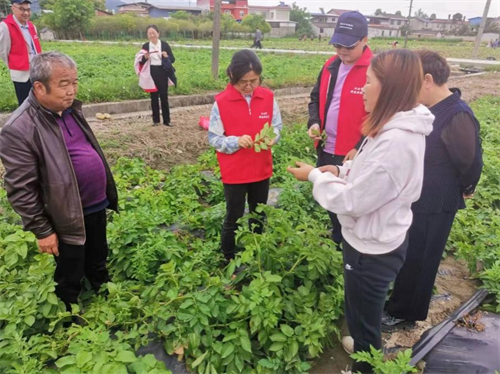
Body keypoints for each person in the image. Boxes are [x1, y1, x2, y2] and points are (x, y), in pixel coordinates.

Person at [288, 49, 434, 374]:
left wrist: (314, 175)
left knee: (364, 316)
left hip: (370, 249)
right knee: (360, 308)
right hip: (377, 237)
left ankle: (364, 365)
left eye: (368, 82)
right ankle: (363, 343)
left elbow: (352, 201)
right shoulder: (394, 126)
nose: (363, 89)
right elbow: (368, 173)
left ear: (389, 88)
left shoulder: (396, 144)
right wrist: (340, 172)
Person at [0, 52, 118, 311]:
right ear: (40, 87)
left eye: (75, 82)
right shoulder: (20, 128)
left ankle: (103, 295)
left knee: (98, 256)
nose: (71, 90)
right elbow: (21, 189)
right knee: (70, 269)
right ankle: (70, 314)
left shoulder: (69, 110)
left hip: (94, 203)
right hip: (64, 216)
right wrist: (42, 230)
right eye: (64, 84)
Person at [382, 50, 483, 332]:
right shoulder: (430, 110)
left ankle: (405, 314)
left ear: (427, 80)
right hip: (419, 197)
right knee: (410, 254)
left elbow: (470, 161)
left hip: (436, 200)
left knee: (421, 257)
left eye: (412, 84)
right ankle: (401, 302)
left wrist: (466, 188)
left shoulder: (456, 114)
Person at [208, 50, 282, 261]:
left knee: (259, 214)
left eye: (254, 81)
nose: (249, 86)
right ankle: (229, 259)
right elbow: (214, 138)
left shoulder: (268, 97)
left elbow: (277, 126)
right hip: (235, 172)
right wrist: (235, 141)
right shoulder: (221, 102)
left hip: (261, 169)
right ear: (232, 76)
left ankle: (256, 254)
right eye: (243, 82)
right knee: (234, 216)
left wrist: (272, 137)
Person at [307, 11, 373, 247]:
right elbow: (315, 98)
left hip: (352, 152)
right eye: (337, 45)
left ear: (365, 40)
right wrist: (314, 122)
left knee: (350, 201)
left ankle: (350, 243)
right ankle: (338, 236)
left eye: (348, 46)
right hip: (327, 144)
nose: (342, 51)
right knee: (329, 197)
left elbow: (380, 114)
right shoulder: (330, 66)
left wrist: (360, 146)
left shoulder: (374, 71)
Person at [0, 0, 41, 106]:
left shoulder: (32, 26)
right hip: (21, 74)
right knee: (25, 104)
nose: (26, 13)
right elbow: (3, 51)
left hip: (36, 72)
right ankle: (26, 123)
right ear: (13, 8)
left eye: (28, 9)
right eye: (22, 9)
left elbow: (35, 48)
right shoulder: (5, 26)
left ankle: (39, 122)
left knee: (40, 102)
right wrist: (14, 65)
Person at [140, 25, 175, 127]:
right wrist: (145, 58)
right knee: (153, 97)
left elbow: (172, 59)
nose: (151, 35)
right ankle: (155, 120)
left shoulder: (164, 45)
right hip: (151, 72)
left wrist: (166, 56)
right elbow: (141, 61)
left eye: (153, 33)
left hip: (162, 72)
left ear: (158, 33)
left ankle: (167, 120)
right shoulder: (146, 46)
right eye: (149, 33)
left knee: (164, 96)